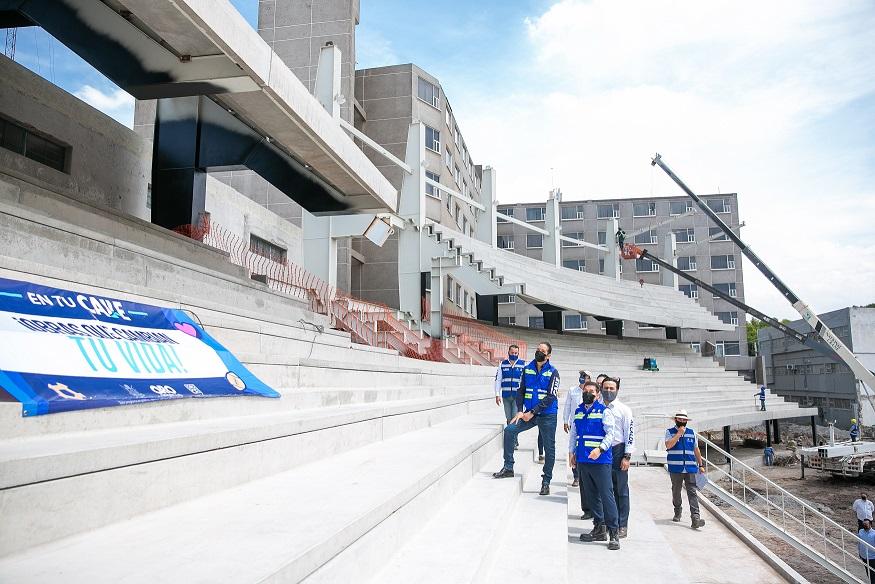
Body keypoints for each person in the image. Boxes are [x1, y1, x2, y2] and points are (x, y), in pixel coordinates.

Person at [493, 342, 560, 496]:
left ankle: (546, 481)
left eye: (543, 351)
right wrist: (520, 411)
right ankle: (508, 467)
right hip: (527, 414)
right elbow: (521, 391)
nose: (539, 352)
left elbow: (551, 397)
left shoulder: (553, 372)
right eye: (538, 350)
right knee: (510, 430)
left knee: (549, 448)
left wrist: (533, 412)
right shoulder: (527, 369)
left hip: (547, 415)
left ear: (548, 355)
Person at [571, 380, 620, 550]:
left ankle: (614, 532)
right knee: (592, 496)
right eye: (586, 390)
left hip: (600, 461)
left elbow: (611, 434)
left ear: (598, 394)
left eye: (592, 391)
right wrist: (572, 453)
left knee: (607, 496)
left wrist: (600, 449)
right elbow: (574, 434)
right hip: (583, 460)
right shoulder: (578, 412)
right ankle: (599, 528)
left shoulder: (604, 412)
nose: (588, 393)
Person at [602, 376, 635, 539]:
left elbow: (629, 434)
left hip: (618, 450)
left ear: (617, 390)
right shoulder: (598, 407)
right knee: (606, 490)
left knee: (621, 490)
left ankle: (622, 524)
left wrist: (627, 456)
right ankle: (610, 523)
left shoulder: (624, 410)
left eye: (611, 388)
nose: (608, 391)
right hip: (602, 452)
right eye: (606, 388)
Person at [665, 409, 706, 529]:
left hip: (690, 468)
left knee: (692, 492)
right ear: (676, 420)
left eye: (684, 420)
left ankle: (695, 518)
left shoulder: (692, 432)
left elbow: (696, 449)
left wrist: (701, 464)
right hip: (676, 468)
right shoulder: (670, 432)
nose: (682, 421)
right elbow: (668, 445)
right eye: (680, 419)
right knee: (676, 491)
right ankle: (677, 510)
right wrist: (678, 434)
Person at [563, 370, 591, 488]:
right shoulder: (572, 390)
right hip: (575, 423)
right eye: (582, 376)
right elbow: (568, 406)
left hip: (588, 424)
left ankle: (586, 475)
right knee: (573, 449)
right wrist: (565, 421)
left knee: (584, 449)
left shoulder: (590, 392)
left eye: (586, 377)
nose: (583, 378)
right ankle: (576, 476)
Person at [494, 344, 525, 450]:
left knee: (514, 418)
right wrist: (497, 394)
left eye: (516, 353)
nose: (514, 354)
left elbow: (525, 381)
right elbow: (498, 380)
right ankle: (511, 438)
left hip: (517, 397)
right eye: (512, 353)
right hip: (506, 396)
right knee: (508, 418)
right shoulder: (502, 364)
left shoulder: (522, 364)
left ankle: (514, 440)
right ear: (508, 352)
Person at [860, 519, 875, 584]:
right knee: (868, 572)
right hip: (863, 556)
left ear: (870, 524)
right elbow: (859, 543)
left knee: (873, 574)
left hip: (872, 557)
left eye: (866, 524)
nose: (865, 525)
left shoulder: (874, 534)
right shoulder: (860, 531)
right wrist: (859, 553)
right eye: (864, 524)